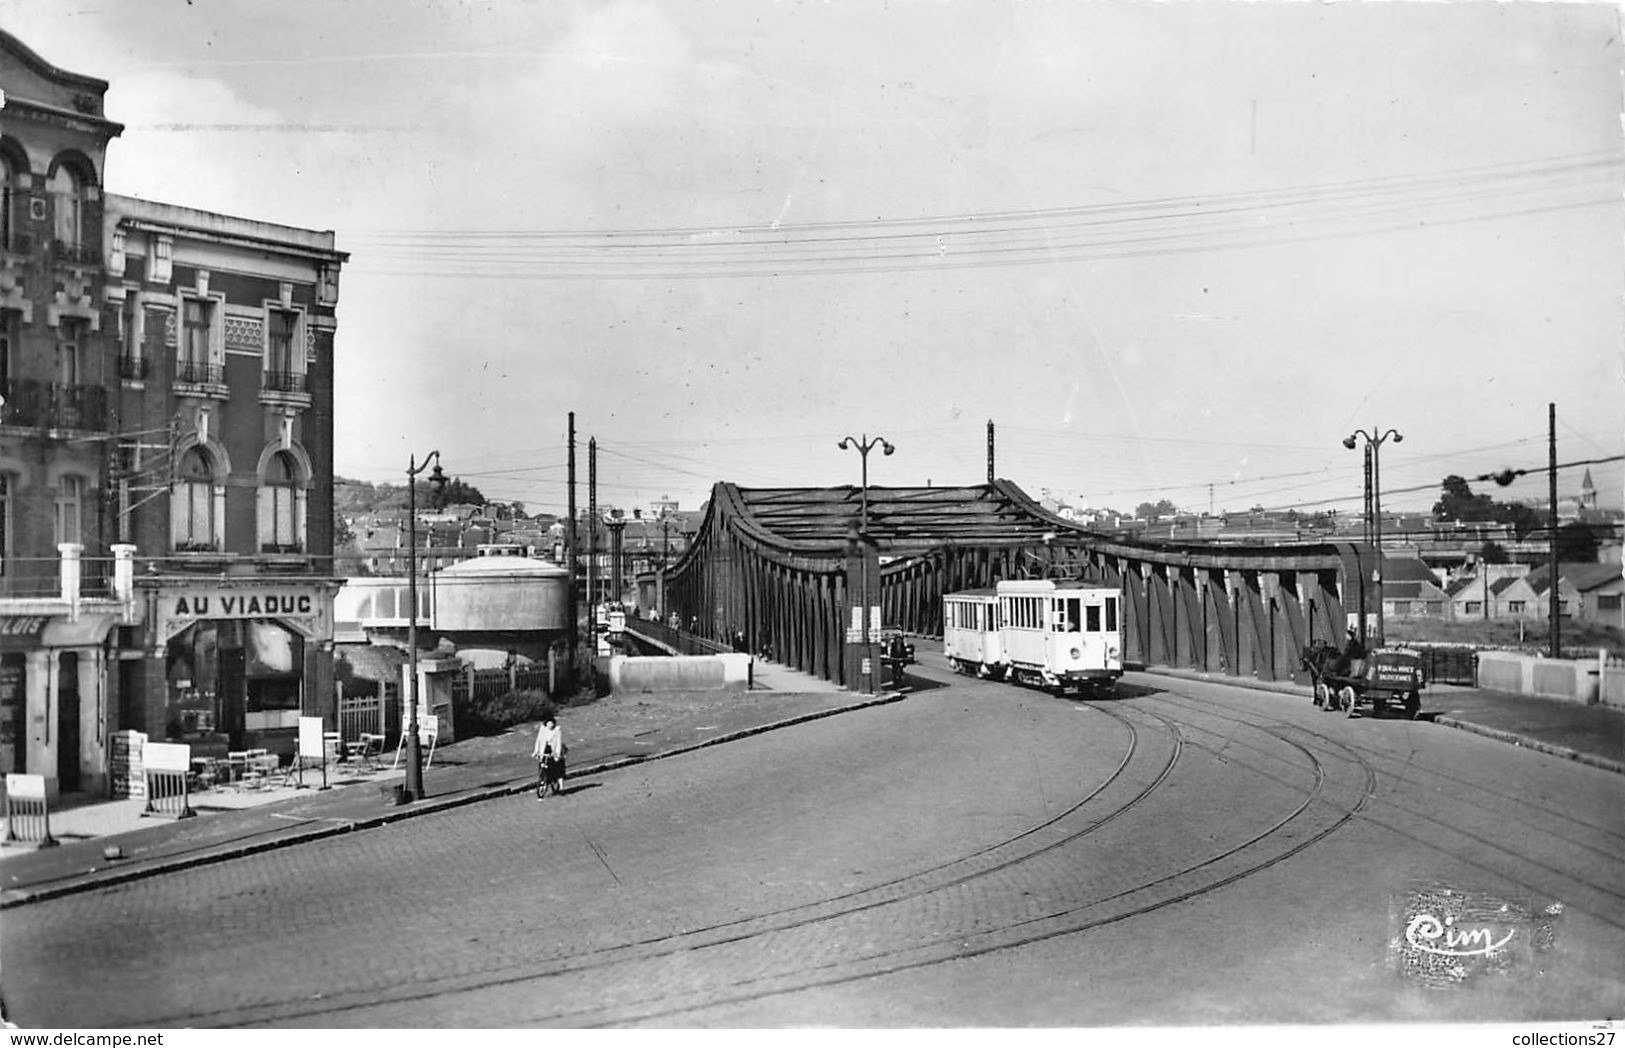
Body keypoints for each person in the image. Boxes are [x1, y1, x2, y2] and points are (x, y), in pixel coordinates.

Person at [532, 713, 566, 797]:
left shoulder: (557, 731)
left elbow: (558, 743)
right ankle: (544, 780)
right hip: (544, 750)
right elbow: (538, 741)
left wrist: (557, 754)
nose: (550, 725)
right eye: (548, 723)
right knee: (543, 766)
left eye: (552, 723)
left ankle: (561, 788)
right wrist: (536, 751)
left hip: (554, 751)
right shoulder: (543, 730)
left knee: (557, 770)